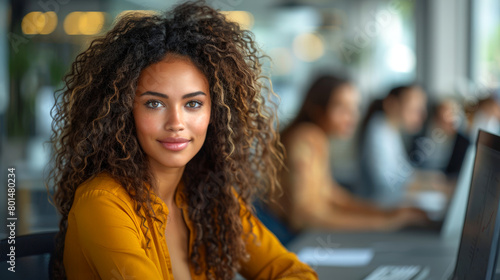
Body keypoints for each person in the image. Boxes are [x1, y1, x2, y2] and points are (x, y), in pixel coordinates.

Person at [47, 2, 318, 280]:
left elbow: (292, 271)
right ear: (123, 111)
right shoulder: (103, 203)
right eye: (154, 103)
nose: (176, 123)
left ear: (216, 112)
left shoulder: (210, 195)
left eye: (193, 104)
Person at [256, 76, 427, 245]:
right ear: (318, 108)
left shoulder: (317, 138)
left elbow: (333, 196)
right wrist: (384, 223)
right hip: (281, 237)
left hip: (288, 234)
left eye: (355, 107)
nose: (352, 116)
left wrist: (389, 214)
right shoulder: (305, 139)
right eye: (341, 107)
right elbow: (304, 217)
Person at [359, 85, 429, 206]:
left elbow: (404, 173)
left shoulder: (392, 130)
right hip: (377, 208)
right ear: (391, 104)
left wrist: (435, 181)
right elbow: (388, 183)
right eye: (413, 109)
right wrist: (432, 185)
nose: (421, 116)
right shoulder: (378, 131)